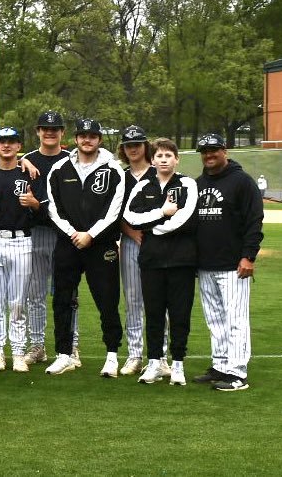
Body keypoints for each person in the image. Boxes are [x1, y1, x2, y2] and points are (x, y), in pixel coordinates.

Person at [43, 119, 127, 376]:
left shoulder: (114, 170)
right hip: (68, 244)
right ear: (76, 138)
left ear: (99, 139)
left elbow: (114, 210)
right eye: (83, 135)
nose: (87, 140)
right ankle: (64, 354)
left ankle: (112, 355)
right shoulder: (59, 169)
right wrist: (73, 234)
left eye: (92, 136)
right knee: (62, 299)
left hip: (101, 245)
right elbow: (53, 209)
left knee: (107, 299)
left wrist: (90, 234)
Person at [123, 138, 198, 385]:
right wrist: (161, 214)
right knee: (154, 313)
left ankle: (178, 365)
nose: (164, 159)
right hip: (152, 260)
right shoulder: (144, 185)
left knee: (179, 314)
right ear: (152, 160)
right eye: (159, 156)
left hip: (181, 261)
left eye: (169, 155)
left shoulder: (187, 184)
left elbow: (185, 217)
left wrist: (155, 229)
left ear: (177, 159)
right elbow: (131, 216)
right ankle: (154, 363)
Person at [191, 133, 262, 391]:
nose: (209, 155)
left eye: (214, 150)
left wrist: (248, 256)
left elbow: (254, 221)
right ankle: (221, 364)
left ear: (225, 150)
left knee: (235, 319)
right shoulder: (198, 184)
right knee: (215, 319)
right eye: (204, 151)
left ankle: (237, 372)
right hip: (205, 264)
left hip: (234, 264)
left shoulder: (242, 182)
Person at [0, 127, 39, 373]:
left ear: (19, 145)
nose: (6, 145)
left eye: (11, 141)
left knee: (18, 302)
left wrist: (33, 204)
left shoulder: (29, 174)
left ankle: (18, 353)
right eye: (2, 141)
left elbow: (42, 209)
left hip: (21, 240)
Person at [20, 111, 73, 364]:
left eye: (55, 129)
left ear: (62, 132)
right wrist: (21, 158)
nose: (49, 132)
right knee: (35, 294)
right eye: (45, 128)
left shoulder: (71, 159)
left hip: (63, 234)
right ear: (38, 131)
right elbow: (0, 166)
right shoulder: (28, 159)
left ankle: (71, 347)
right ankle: (38, 346)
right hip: (36, 233)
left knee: (67, 294)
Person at [115, 125, 154, 376]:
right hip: (130, 244)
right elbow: (112, 213)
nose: (133, 148)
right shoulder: (121, 177)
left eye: (137, 144)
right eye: (129, 145)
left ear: (145, 146)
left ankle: (158, 356)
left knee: (158, 301)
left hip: (158, 244)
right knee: (133, 301)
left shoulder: (160, 173)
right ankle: (134, 354)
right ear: (123, 149)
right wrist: (130, 232)